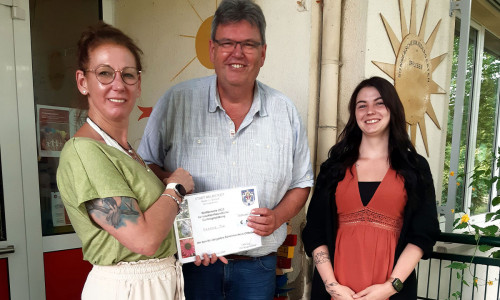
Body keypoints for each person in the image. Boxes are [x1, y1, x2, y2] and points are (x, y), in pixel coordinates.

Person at [138, 0, 314, 298]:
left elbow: (302, 183)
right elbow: (145, 168)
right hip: (192, 264)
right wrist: (175, 186)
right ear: (212, 50)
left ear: (263, 53)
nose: (237, 53)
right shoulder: (176, 102)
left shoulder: (285, 112)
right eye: (227, 43)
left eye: (248, 44)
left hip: (256, 267)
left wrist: (278, 217)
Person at [56, 22, 194, 300]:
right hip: (127, 288)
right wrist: (176, 188)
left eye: (128, 75)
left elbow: (159, 227)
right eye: (105, 73)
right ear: (83, 82)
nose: (118, 84)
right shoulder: (84, 152)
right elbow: (143, 240)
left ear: (138, 83)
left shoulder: (127, 152)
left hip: (159, 281)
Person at [302, 76, 440, 300]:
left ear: (392, 109)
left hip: (390, 290)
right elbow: (315, 232)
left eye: (379, 103)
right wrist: (332, 286)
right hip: (337, 290)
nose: (370, 111)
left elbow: (423, 233)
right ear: (354, 113)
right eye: (362, 105)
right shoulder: (333, 167)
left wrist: (390, 287)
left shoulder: (414, 167)